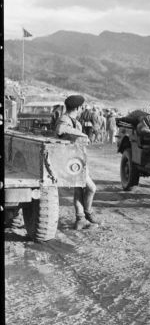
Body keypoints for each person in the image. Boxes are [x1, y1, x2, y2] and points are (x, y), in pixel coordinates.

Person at [55, 95, 101, 230]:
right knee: (92, 188)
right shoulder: (65, 119)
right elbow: (59, 130)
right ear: (77, 107)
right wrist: (82, 135)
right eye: (81, 107)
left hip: (77, 160)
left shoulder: (73, 120)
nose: (82, 109)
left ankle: (81, 219)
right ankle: (87, 213)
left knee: (79, 189)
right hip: (71, 162)